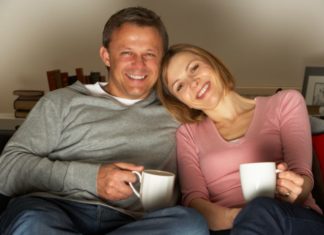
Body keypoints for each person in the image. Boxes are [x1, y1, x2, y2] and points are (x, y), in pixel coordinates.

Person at [0, 8, 209, 235]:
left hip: (135, 224)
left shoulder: (178, 109)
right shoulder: (61, 102)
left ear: (162, 60)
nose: (139, 64)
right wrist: (92, 178)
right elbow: (7, 171)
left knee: (189, 225)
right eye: (127, 53)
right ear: (106, 55)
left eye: (149, 54)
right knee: (33, 223)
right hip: (54, 211)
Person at [157, 43, 324, 235]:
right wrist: (243, 217)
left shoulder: (285, 102)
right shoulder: (187, 134)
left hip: (292, 220)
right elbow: (194, 202)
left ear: (212, 63)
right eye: (180, 86)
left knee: (263, 209)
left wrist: (294, 189)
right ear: (180, 101)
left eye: (194, 68)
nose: (193, 82)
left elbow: (303, 176)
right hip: (229, 228)